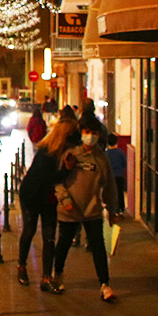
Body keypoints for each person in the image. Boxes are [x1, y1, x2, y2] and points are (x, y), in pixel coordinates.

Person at [52, 115, 121, 301]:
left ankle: (105, 284)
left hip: (92, 211)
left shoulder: (101, 159)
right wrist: (64, 199)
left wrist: (112, 209)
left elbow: (109, 186)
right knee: (63, 244)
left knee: (98, 247)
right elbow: (58, 180)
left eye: (94, 133)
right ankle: (57, 275)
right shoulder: (70, 153)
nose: (90, 136)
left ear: (100, 135)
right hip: (69, 210)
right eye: (87, 132)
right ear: (81, 133)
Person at [17, 117, 78, 291]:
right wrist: (66, 170)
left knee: (49, 237)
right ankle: (21, 266)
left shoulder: (64, 151)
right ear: (64, 136)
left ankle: (46, 278)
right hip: (32, 196)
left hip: (49, 199)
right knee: (29, 230)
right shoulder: (46, 153)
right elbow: (48, 179)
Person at [105, 133, 127, 214]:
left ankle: (111, 208)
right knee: (120, 192)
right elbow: (124, 163)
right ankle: (121, 208)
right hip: (119, 175)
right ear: (116, 142)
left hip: (109, 177)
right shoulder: (120, 152)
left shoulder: (105, 153)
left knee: (110, 193)